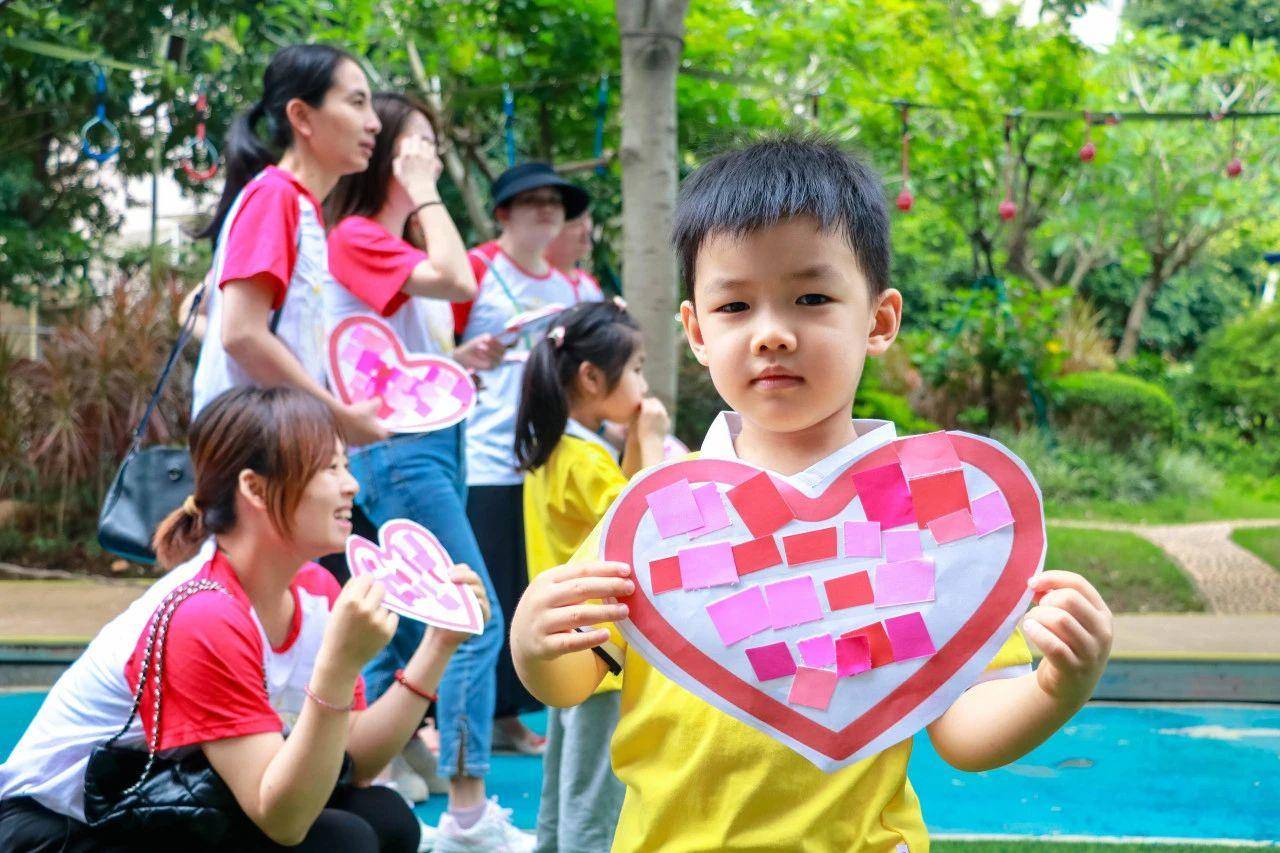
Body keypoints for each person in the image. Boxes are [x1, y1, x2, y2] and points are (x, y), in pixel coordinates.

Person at [510, 137, 1114, 852]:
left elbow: (963, 730)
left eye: (812, 298)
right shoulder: (660, 512)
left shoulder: (924, 513)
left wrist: (1057, 688)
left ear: (880, 320)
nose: (772, 334)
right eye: (735, 305)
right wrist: (532, 639)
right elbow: (571, 679)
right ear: (697, 330)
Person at [0, 386, 490, 852]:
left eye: (345, 464)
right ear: (254, 488)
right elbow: (281, 817)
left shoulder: (314, 591)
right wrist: (339, 669)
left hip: (156, 799)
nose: (351, 484)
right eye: (328, 468)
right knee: (338, 841)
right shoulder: (204, 612)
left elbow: (354, 761)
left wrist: (439, 643)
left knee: (384, 815)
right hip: (58, 830)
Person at [324, 92, 528, 849]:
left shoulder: (382, 244)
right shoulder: (357, 233)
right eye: (418, 145)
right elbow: (461, 276)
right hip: (404, 453)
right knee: (470, 614)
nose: (430, 159)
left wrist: (460, 361)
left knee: (391, 618)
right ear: (387, 157)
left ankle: (381, 779)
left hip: (425, 444)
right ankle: (467, 815)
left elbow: (403, 349)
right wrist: (429, 190)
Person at [453, 163, 599, 754]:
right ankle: (473, 726)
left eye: (555, 202)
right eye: (530, 200)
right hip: (484, 458)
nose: (546, 210)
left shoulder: (580, 290)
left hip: (555, 464)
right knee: (490, 591)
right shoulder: (474, 269)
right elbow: (430, 350)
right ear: (503, 213)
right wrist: (464, 353)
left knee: (536, 589)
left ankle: (512, 715)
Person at [514, 300, 669, 853]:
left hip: (568, 652)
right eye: (636, 368)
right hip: (598, 653)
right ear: (591, 377)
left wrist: (632, 441)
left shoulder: (562, 451)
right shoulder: (584, 461)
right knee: (595, 808)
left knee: (562, 796)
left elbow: (616, 511)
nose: (643, 383)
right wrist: (650, 437)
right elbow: (652, 524)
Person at [189, 44, 386, 449]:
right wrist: (338, 417)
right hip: (256, 453)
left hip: (278, 447)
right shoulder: (274, 197)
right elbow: (242, 334)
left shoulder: (296, 206)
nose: (374, 124)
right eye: (357, 103)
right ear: (301, 116)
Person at [545, 208, 604, 301]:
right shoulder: (528, 285)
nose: (587, 229)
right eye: (577, 223)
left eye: (587, 217)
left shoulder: (588, 284)